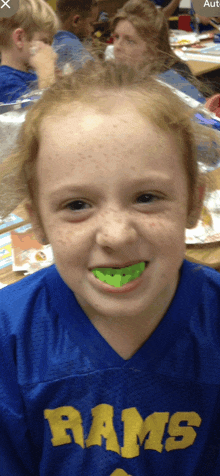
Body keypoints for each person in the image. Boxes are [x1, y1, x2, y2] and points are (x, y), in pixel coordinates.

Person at [0, 60, 220, 475]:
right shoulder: (9, 339)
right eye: (77, 205)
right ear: (37, 220)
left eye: (147, 197)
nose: (116, 236)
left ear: (193, 202)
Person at [106, 0, 208, 103]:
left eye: (130, 41)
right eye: (117, 37)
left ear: (153, 49)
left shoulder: (173, 83)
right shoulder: (120, 74)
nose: (117, 47)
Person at [0, 0, 59, 104]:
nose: (51, 51)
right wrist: (47, 74)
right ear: (19, 38)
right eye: (45, 41)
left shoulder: (32, 74)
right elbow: (40, 117)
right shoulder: (5, 82)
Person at [53, 0, 99, 73]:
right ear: (76, 21)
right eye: (91, 24)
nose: (92, 29)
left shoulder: (47, 43)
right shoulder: (79, 53)